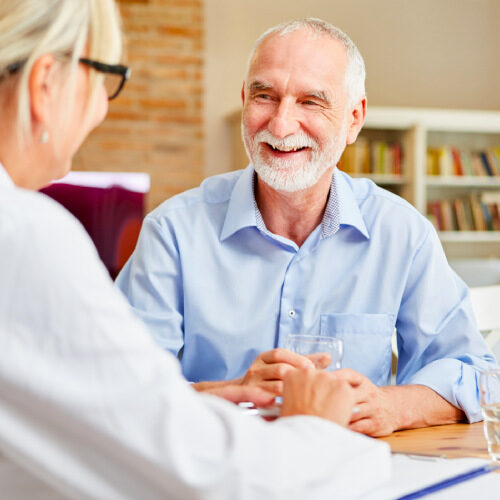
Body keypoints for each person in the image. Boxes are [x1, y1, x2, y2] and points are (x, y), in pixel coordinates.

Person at [0, 2, 392, 498]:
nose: (102, 107)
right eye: (106, 79)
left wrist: (202, 398)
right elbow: (204, 475)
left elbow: (98, 406)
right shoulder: (26, 238)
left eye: (311, 101)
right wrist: (317, 426)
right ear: (44, 85)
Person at [116, 18, 498, 438]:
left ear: (354, 119)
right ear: (244, 100)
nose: (281, 125)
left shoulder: (402, 234)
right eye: (265, 96)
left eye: (311, 102)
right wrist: (233, 392)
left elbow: (476, 372)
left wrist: (393, 405)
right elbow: (116, 385)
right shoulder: (172, 232)